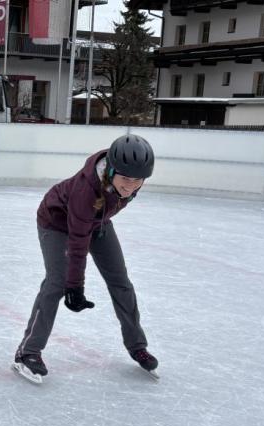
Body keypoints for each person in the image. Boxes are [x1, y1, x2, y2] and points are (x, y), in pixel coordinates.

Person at [13, 133, 159, 383]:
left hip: (97, 221)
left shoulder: (128, 182)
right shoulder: (86, 191)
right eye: (126, 179)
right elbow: (78, 244)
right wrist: (75, 287)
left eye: (138, 181)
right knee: (57, 283)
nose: (130, 186)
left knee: (121, 282)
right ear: (111, 171)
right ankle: (27, 352)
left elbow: (103, 210)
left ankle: (137, 346)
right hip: (57, 221)